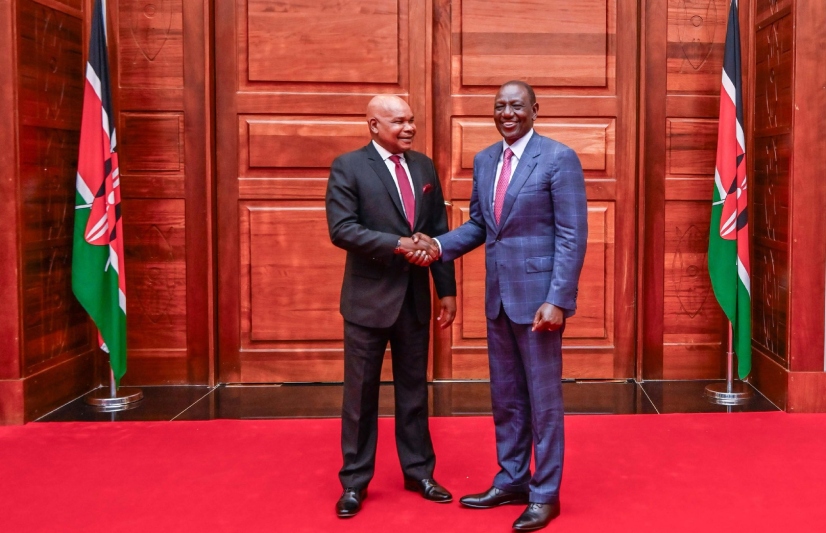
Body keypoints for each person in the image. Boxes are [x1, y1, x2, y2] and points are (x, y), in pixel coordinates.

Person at [408, 81, 587, 531]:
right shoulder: (486, 160)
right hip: (499, 300)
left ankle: (545, 494)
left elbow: (572, 235)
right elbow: (480, 226)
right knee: (506, 399)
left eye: (516, 106)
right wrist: (437, 246)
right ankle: (512, 480)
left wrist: (558, 299)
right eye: (500, 106)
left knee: (543, 403)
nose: (507, 113)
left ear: (535, 110)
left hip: (540, 303)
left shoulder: (558, 158)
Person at [325, 95, 457, 518]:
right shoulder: (348, 166)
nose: (409, 128)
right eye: (398, 121)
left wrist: (447, 290)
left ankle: (419, 472)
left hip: (414, 301)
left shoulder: (424, 167)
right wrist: (398, 244)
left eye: (411, 120)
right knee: (360, 397)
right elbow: (342, 229)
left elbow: (438, 231)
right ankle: (354, 482)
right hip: (367, 302)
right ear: (373, 125)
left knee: (414, 392)